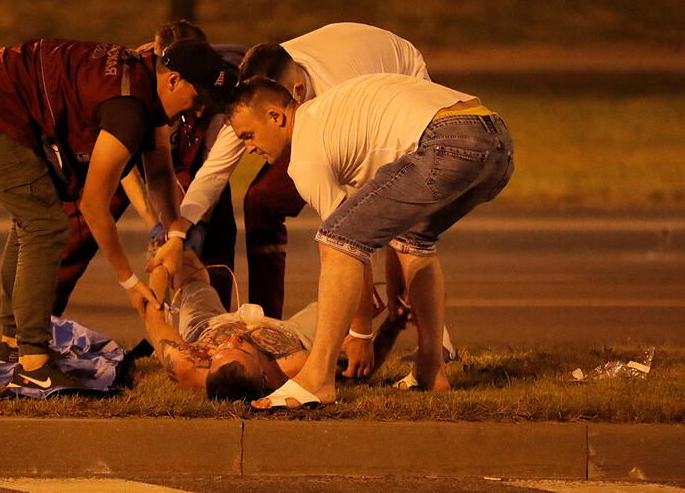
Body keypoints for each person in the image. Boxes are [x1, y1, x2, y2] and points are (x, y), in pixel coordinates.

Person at [0, 37, 235, 393]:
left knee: (32, 219)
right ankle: (33, 364)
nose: (200, 110)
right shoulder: (129, 108)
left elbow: (159, 174)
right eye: (198, 97)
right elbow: (93, 205)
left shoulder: (145, 79)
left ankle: (13, 345)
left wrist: (174, 236)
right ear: (172, 80)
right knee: (45, 225)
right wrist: (128, 280)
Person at [226, 75, 513, 408]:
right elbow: (386, 226)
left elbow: (347, 244)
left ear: (276, 116)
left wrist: (360, 332)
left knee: (335, 240)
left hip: (449, 141)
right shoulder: (334, 119)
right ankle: (431, 370)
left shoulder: (305, 156)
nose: (248, 148)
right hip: (496, 141)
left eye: (248, 135)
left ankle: (317, 379)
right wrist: (392, 287)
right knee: (416, 240)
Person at [152, 22, 430, 320]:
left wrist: (362, 316)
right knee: (263, 200)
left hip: (396, 80)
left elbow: (360, 201)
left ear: (292, 96)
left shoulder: (337, 100)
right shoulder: (260, 97)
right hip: (337, 76)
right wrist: (177, 233)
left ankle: (436, 341)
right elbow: (214, 173)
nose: (248, 149)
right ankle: (265, 320)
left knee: (403, 218)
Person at [51, 21, 243, 316]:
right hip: (126, 151)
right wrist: (152, 222)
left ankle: (214, 325)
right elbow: (124, 163)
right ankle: (39, 320)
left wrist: (187, 224)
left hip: (190, 159)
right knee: (80, 228)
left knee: (213, 222)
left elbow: (213, 167)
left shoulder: (211, 82)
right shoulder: (136, 84)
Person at [143, 250, 320, 401]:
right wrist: (348, 336)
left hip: (208, 326)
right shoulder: (293, 366)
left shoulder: (187, 365)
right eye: (242, 349)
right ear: (263, 375)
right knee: (337, 304)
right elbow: (331, 354)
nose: (233, 339)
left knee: (186, 264)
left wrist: (160, 266)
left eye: (221, 351)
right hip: (291, 333)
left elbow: (155, 319)